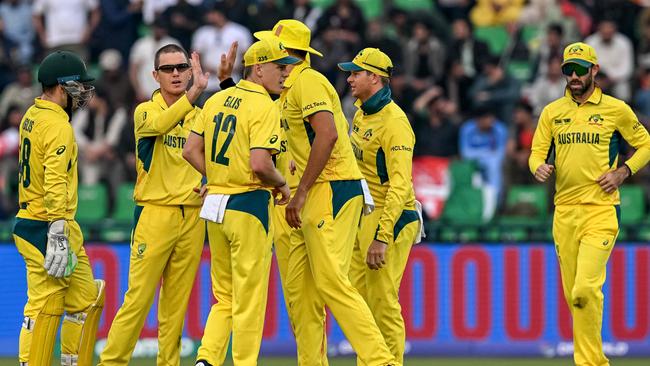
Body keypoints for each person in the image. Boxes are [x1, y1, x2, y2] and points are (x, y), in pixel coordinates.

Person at [255, 19, 396, 366]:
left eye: (272, 49)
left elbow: (328, 134)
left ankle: (382, 361)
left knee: (332, 281)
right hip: (302, 195)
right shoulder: (283, 91)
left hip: (331, 187)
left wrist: (301, 191)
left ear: (285, 51)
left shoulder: (309, 81)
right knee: (300, 297)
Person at [529, 42, 650, 366]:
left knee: (585, 289)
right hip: (564, 213)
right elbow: (536, 153)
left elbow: (645, 145)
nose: (573, 76)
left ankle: (592, 363)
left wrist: (623, 172)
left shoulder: (615, 109)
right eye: (568, 70)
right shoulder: (552, 112)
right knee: (575, 298)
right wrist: (537, 167)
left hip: (601, 210)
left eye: (580, 70)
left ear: (594, 70)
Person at [182, 35, 296, 366]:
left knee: (225, 297)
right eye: (279, 67)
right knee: (249, 299)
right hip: (248, 205)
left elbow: (190, 150)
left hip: (215, 204)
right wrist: (282, 184)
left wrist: (217, 177)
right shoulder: (264, 106)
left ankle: (207, 359)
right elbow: (260, 164)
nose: (285, 74)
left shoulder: (217, 100)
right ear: (258, 69)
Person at [98, 45, 208, 366]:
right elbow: (161, 126)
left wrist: (210, 182)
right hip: (154, 213)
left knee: (176, 305)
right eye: (168, 69)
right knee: (138, 299)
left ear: (189, 71)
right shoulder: (145, 111)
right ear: (154, 75)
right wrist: (196, 93)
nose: (175, 74)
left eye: (181, 68)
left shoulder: (201, 116)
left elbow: (214, 160)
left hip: (192, 216)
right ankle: (111, 362)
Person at [12, 50, 104, 366]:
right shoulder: (57, 124)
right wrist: (57, 230)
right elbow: (54, 179)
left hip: (52, 220)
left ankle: (70, 361)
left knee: (87, 300)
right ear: (62, 87)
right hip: (45, 223)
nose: (82, 94)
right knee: (44, 304)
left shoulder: (32, 115)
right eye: (78, 87)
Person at [338, 48, 424, 365]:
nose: (349, 79)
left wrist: (382, 236)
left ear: (374, 77)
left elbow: (400, 186)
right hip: (367, 215)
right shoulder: (361, 114)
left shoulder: (396, 124)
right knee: (359, 300)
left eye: (355, 73)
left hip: (393, 216)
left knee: (383, 301)